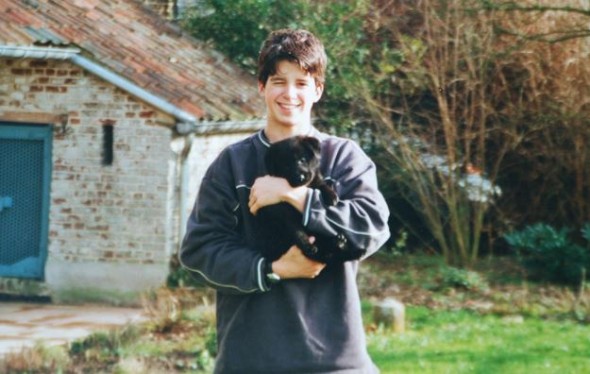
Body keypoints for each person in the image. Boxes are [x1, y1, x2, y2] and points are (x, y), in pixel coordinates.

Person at [179, 28, 391, 374]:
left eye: (301, 83)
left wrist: (296, 197)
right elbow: (199, 250)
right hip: (251, 360)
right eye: (278, 81)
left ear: (318, 90)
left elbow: (370, 228)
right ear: (262, 87)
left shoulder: (344, 158)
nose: (289, 93)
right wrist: (272, 269)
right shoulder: (232, 165)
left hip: (336, 362)